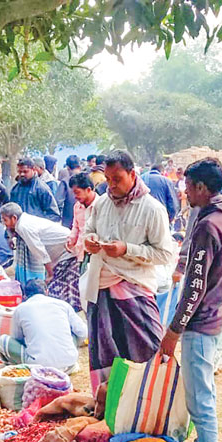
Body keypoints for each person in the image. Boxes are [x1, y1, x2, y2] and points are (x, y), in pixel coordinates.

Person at [157, 158, 222, 442]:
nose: (184, 191)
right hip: (217, 315)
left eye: (189, 186)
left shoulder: (209, 225)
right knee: (201, 397)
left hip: (202, 322)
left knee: (202, 404)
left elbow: (194, 287)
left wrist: (174, 330)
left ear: (203, 189)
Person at [84, 150, 176, 393]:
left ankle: (150, 397)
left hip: (134, 288)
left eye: (117, 179)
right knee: (104, 350)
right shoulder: (101, 203)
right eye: (108, 179)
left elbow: (165, 254)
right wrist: (90, 240)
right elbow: (88, 230)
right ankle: (108, 403)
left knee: (147, 347)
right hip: (100, 285)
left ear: (132, 175)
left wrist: (127, 249)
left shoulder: (151, 208)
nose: (111, 185)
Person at [0, 279, 87, 374]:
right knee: (73, 330)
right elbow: (83, 332)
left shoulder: (20, 309)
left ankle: (17, 370)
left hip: (39, 366)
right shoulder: (63, 305)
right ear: (46, 292)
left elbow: (16, 338)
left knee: (2, 341)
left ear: (25, 296)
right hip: (69, 363)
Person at [0, 203, 72, 285]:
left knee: (62, 284)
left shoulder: (24, 226)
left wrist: (50, 274)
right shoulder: (21, 221)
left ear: (14, 218)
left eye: (5, 220)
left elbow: (39, 251)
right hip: (59, 250)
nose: (4, 223)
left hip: (68, 248)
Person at [11, 157, 61, 222]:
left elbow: (54, 214)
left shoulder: (41, 188)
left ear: (33, 169)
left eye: (25, 171)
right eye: (20, 172)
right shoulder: (15, 189)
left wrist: (39, 225)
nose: (22, 174)